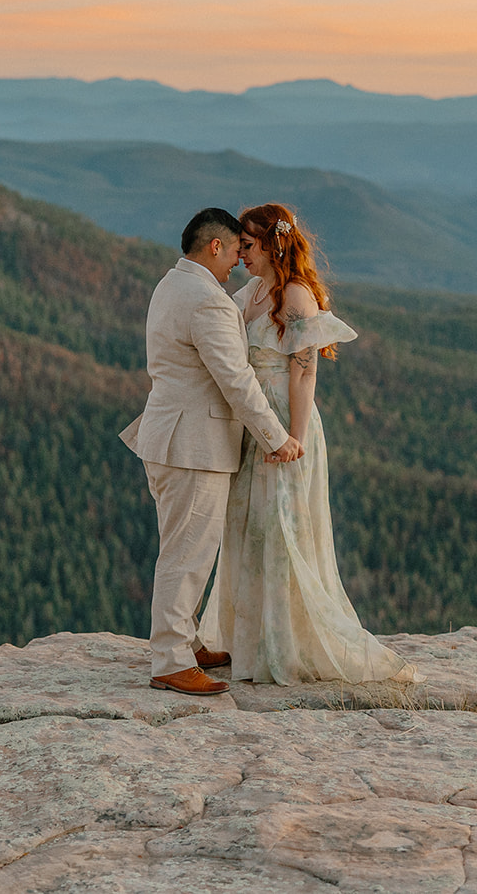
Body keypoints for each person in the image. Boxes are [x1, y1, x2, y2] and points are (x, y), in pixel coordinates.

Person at [199, 203, 420, 685]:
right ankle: (250, 643)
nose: (242, 254)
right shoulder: (255, 291)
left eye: (250, 245)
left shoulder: (295, 296)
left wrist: (294, 438)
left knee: (282, 530)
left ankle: (283, 643)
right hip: (255, 423)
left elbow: (304, 372)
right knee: (248, 527)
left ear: (273, 244)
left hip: (285, 420)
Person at [120, 208, 304, 696]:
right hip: (193, 446)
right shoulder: (208, 301)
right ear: (215, 247)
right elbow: (236, 381)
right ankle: (171, 660)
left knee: (182, 546)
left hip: (165, 437)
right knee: (188, 554)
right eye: (235, 251)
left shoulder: (171, 284)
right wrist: (277, 436)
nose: (237, 262)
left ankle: (187, 640)